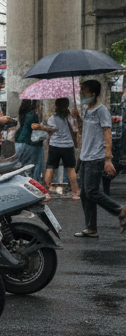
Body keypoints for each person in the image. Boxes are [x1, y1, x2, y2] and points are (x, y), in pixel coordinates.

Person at [74, 79, 126, 238]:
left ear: (93, 92)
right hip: (85, 156)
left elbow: (107, 133)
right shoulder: (87, 110)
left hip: (96, 156)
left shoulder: (101, 110)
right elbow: (84, 130)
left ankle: (120, 210)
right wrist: (76, 118)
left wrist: (107, 157)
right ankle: (91, 228)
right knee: (84, 194)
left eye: (84, 90)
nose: (82, 93)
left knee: (92, 191)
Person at [43, 98, 80, 199]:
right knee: (70, 169)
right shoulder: (70, 118)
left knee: (50, 168)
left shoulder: (52, 118)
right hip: (68, 146)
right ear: (67, 106)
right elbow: (76, 130)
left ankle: (45, 193)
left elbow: (50, 131)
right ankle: (75, 193)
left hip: (54, 145)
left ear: (56, 106)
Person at [14, 99, 48, 184]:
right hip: (30, 143)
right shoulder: (32, 115)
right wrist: (45, 128)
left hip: (19, 142)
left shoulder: (23, 114)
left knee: (21, 167)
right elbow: (34, 127)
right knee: (32, 167)